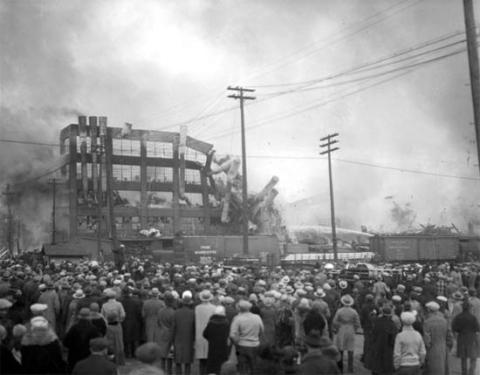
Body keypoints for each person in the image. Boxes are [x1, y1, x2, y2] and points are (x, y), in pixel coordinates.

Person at [230, 300, 264, 375]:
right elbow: (262, 330)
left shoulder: (237, 318)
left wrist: (236, 343)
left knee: (242, 368)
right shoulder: (257, 317)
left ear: (239, 308)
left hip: (241, 345)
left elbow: (232, 334)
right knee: (254, 367)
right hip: (255, 345)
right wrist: (256, 337)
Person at [64, 307, 102, 372]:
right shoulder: (93, 329)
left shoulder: (73, 328)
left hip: (74, 358)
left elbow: (65, 343)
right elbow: (97, 344)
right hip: (88, 358)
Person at [332, 294, 361, 373]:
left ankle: (340, 367)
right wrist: (354, 329)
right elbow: (357, 323)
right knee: (350, 349)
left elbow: (334, 321)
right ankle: (350, 368)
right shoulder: (354, 311)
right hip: (350, 329)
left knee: (340, 348)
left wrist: (337, 327)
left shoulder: (340, 311)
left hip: (342, 329)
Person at [423, 301, 452, 375]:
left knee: (433, 369)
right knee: (443, 368)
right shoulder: (444, 321)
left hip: (432, 349)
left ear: (429, 310)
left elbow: (427, 340)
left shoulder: (427, 322)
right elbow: (449, 336)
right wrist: (448, 346)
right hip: (443, 348)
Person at [452, 300, 480, 375]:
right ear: (469, 308)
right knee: (473, 358)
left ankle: (464, 373)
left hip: (461, 339)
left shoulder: (458, 317)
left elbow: (454, 328)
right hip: (471, 339)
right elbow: (477, 329)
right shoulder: (473, 317)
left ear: (462, 308)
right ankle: (471, 372)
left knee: (463, 358)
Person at [203, 305, 231, 375]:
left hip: (213, 346)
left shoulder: (211, 323)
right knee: (222, 365)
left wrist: (211, 339)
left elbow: (205, 334)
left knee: (212, 367)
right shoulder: (226, 323)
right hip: (223, 347)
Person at [370, 306, 397, 375]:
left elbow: (373, 333)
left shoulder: (376, 321)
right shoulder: (392, 324)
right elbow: (393, 339)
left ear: (382, 313)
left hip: (377, 345)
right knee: (386, 365)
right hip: (387, 347)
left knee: (376, 363)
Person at [173, 291, 195, 375]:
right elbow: (194, 327)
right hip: (189, 339)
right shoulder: (193, 313)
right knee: (187, 360)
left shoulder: (176, 312)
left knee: (178, 359)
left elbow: (173, 327)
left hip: (178, 338)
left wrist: (172, 339)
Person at [195, 289, 216, 375]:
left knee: (202, 360)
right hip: (211, 335)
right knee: (210, 359)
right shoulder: (214, 308)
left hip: (200, 334)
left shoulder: (197, 308)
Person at [157, 291, 175, 374]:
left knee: (162, 354)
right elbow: (174, 325)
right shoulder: (173, 312)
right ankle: (169, 371)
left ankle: (162, 370)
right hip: (170, 333)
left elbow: (158, 322)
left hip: (162, 333)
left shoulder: (160, 311)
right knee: (169, 354)